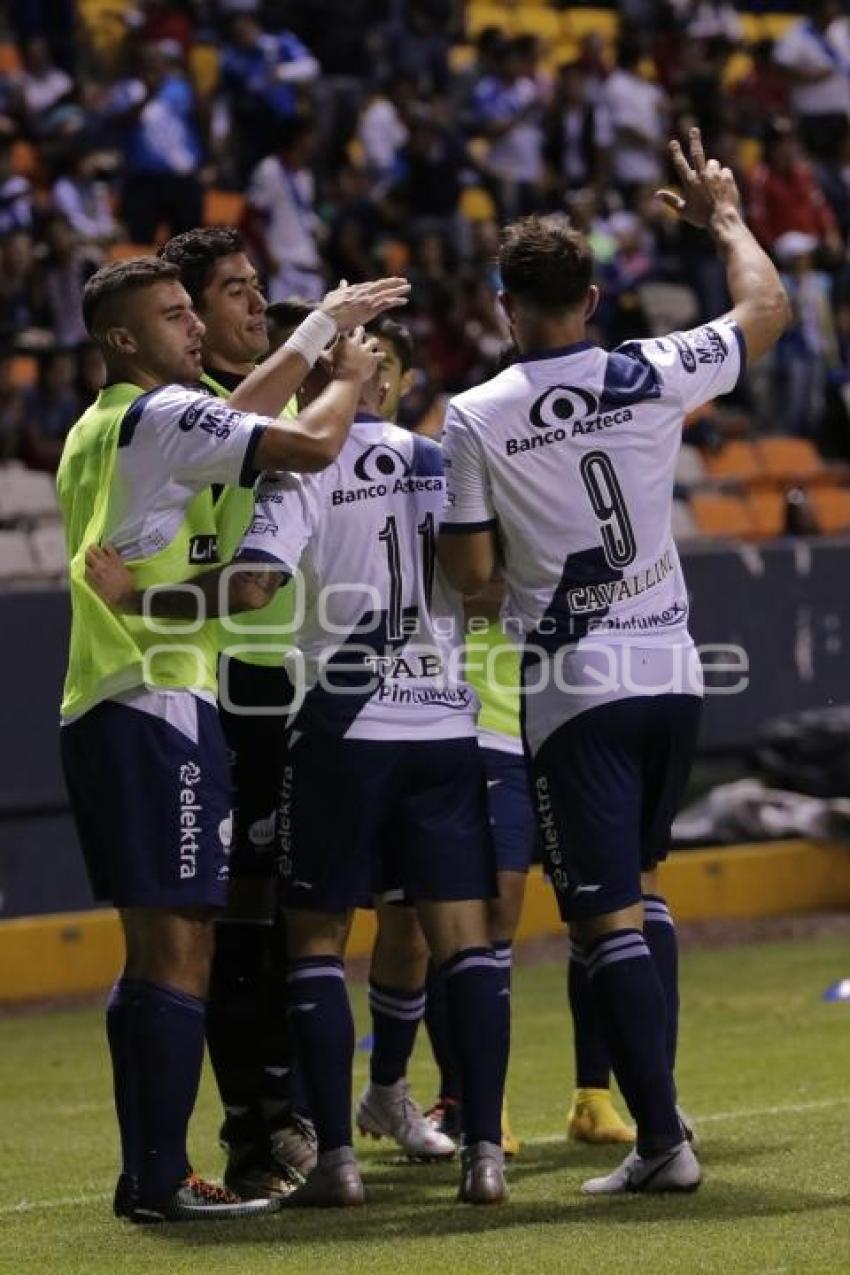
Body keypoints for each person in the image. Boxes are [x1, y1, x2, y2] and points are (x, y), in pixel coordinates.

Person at [436, 128, 790, 1195]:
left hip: (572, 690)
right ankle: (657, 1122)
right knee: (638, 894)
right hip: (673, 673)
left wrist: (523, 593)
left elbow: (467, 577)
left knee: (601, 920)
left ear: (504, 305)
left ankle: (662, 1144)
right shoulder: (650, 368)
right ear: (590, 299)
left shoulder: (474, 416)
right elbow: (768, 313)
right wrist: (724, 217)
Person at [89, 321, 511, 1208]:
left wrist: (142, 597)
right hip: (441, 727)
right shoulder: (439, 460)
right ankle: (485, 1156)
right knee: (465, 945)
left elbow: (249, 588)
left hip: (339, 727)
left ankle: (337, 1166)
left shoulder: (299, 469)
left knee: (318, 942)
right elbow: (484, 584)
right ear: (381, 383)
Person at [58, 254, 408, 1222]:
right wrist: (343, 368)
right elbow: (298, 444)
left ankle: (156, 1173)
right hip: (152, 696)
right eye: (174, 316)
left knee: (172, 943)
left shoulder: (112, 425)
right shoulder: (159, 415)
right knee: (178, 946)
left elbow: (243, 424)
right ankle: (164, 1177)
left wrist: (307, 340)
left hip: (132, 693)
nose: (196, 330)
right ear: (124, 339)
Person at [156, 228, 317, 1198]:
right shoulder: (192, 414)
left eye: (260, 287)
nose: (256, 306)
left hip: (306, 688)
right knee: (241, 917)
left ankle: (299, 1112)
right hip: (228, 694)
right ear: (185, 315)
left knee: (300, 916)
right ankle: (255, 1126)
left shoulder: (277, 403)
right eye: (233, 292)